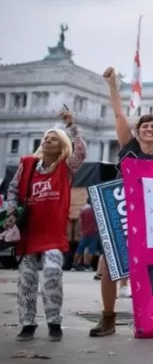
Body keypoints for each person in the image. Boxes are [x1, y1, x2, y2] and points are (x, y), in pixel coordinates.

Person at [90, 67, 153, 338]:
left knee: (149, 274)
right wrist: (113, 86)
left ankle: (147, 320)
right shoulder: (129, 150)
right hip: (120, 215)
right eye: (145, 126)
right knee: (110, 269)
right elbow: (118, 114)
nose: (149, 129)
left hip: (149, 222)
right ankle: (108, 318)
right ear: (137, 132)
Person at [5, 107, 87, 342]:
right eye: (45, 138)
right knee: (27, 279)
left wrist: (71, 125)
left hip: (52, 232)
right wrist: (11, 211)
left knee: (52, 272)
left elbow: (81, 150)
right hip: (29, 231)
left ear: (61, 145)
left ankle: (53, 320)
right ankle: (27, 323)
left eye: (53, 138)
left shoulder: (66, 167)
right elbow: (12, 189)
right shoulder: (28, 165)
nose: (48, 140)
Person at [73, 200, 98, 271]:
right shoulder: (95, 211)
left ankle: (74, 265)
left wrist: (80, 230)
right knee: (91, 250)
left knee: (79, 249)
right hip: (93, 233)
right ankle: (87, 266)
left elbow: (80, 221)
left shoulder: (83, 210)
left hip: (84, 233)